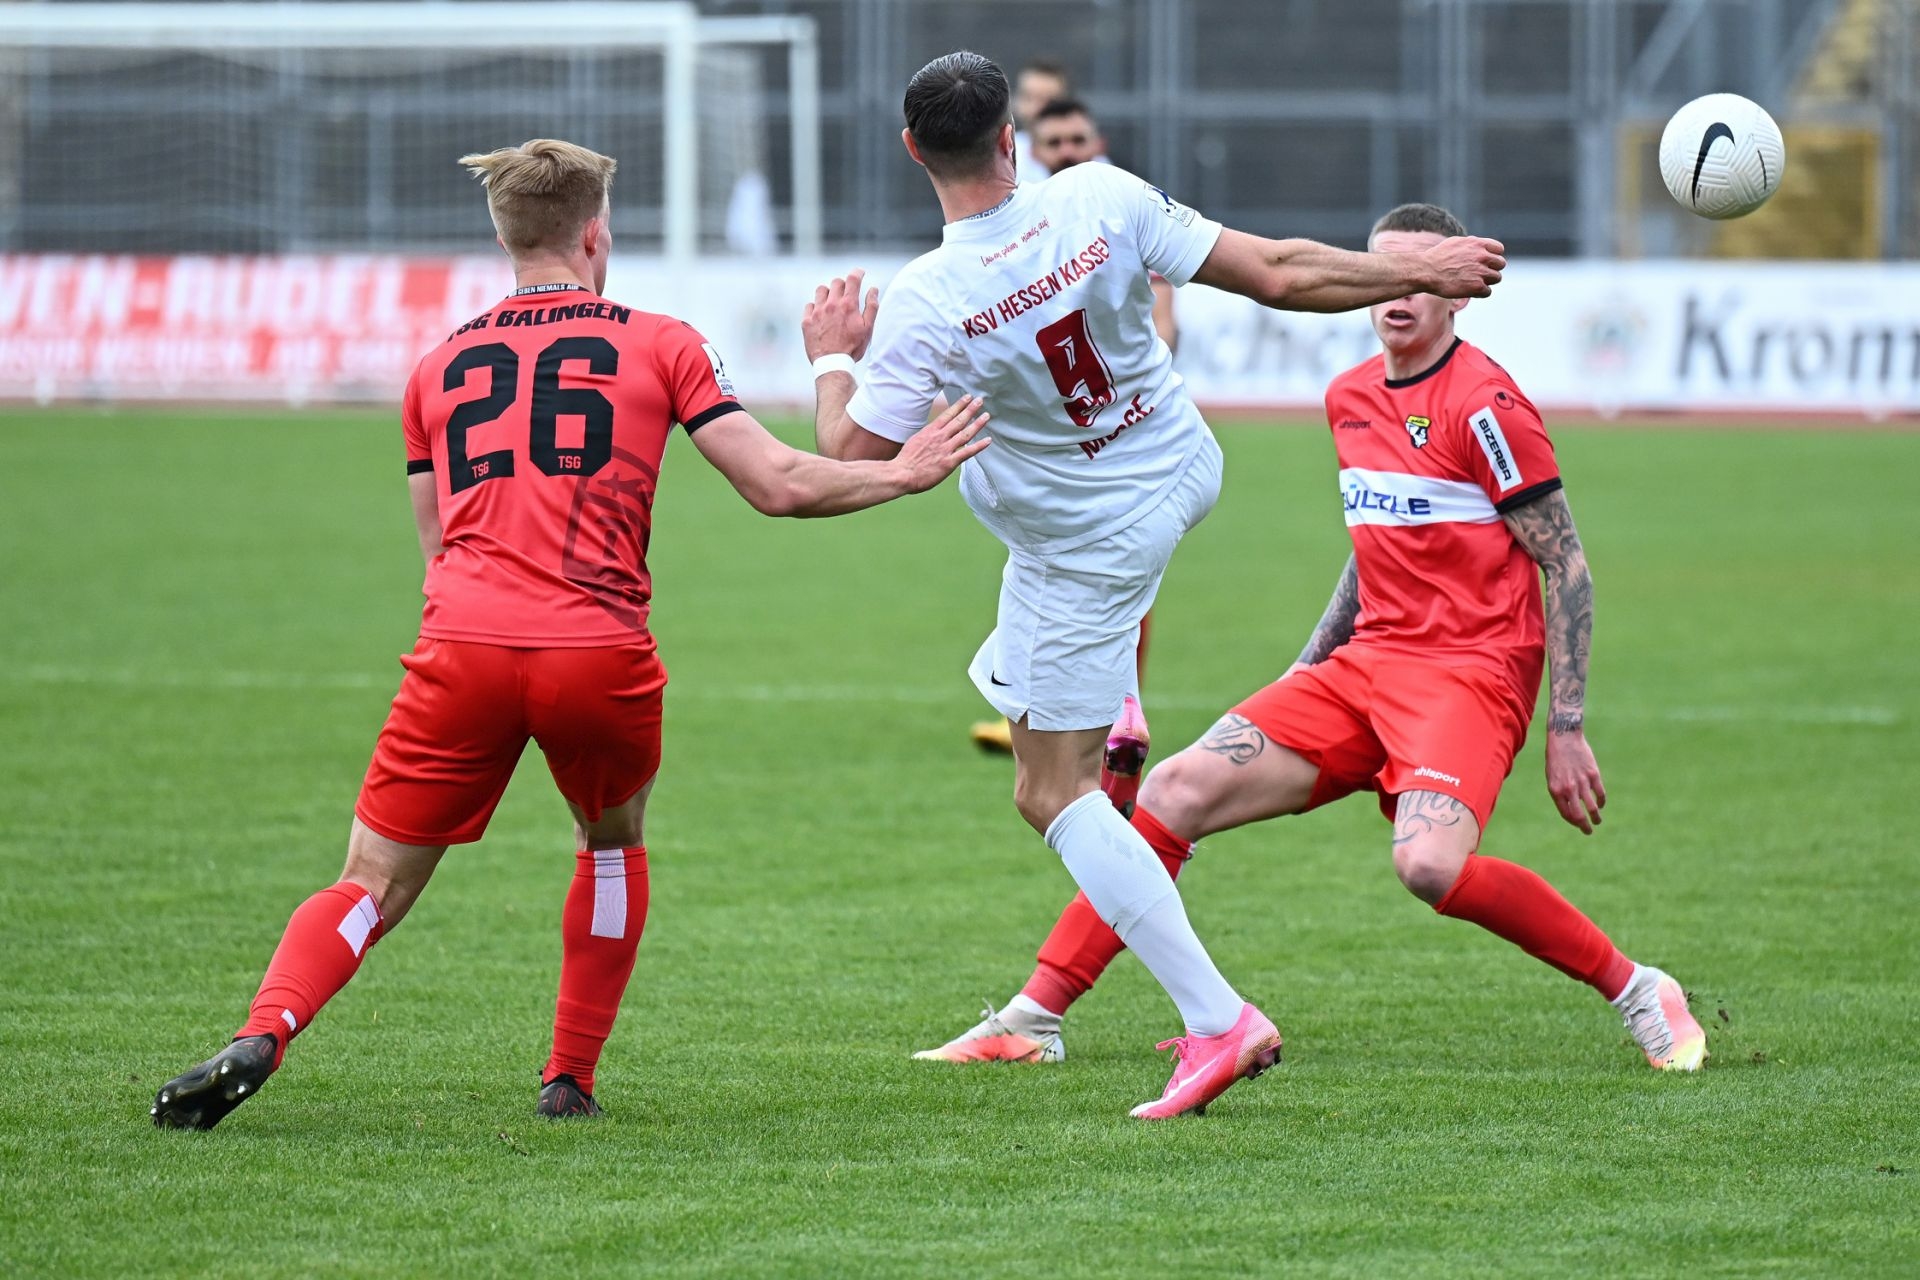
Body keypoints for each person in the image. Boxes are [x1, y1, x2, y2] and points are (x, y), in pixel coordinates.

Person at [150, 139, 989, 1130]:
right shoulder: (662, 342)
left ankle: (266, 1029)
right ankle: (568, 1078)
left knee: (370, 879)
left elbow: (437, 548)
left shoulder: (436, 368)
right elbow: (777, 483)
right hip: (597, 650)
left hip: (463, 646)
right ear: (595, 234)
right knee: (610, 842)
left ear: (506, 236)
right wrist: (903, 470)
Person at [802, 54, 1506, 1118]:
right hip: (1176, 465)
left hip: (1084, 545)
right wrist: (1422, 274)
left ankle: (1219, 1020)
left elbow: (850, 451)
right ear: (1011, 138)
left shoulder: (928, 296)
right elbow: (1280, 270)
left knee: (1057, 792)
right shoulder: (1098, 194)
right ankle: (1043, 1008)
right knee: (1052, 768)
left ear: (913, 151)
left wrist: (833, 358)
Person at [913, 202, 1709, 1076]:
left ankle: (1640, 989)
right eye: (1387, 274)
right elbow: (1374, 549)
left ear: (1455, 295)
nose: (1399, 294)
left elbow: (1567, 563)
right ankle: (1035, 1018)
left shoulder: (1486, 406)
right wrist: (1306, 669)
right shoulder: (1350, 398)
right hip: (1365, 670)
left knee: (1430, 867)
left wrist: (1567, 726)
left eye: (1421, 277)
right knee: (1175, 790)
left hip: (1469, 677)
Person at [970, 97, 1170, 776]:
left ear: (1096, 142)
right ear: (1028, 147)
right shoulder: (1019, 222)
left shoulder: (1114, 208)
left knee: (1086, 569)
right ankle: (1097, 712)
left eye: (1076, 139)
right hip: (1054, 440)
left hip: (1112, 437)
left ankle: (1095, 712)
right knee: (1067, 569)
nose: (1065, 150)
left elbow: (1164, 323)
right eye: (1052, 140)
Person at [1011, 57, 1071, 184]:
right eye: (1028, 98)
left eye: (1048, 100)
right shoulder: (1000, 158)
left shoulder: (1088, 159)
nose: (1036, 108)